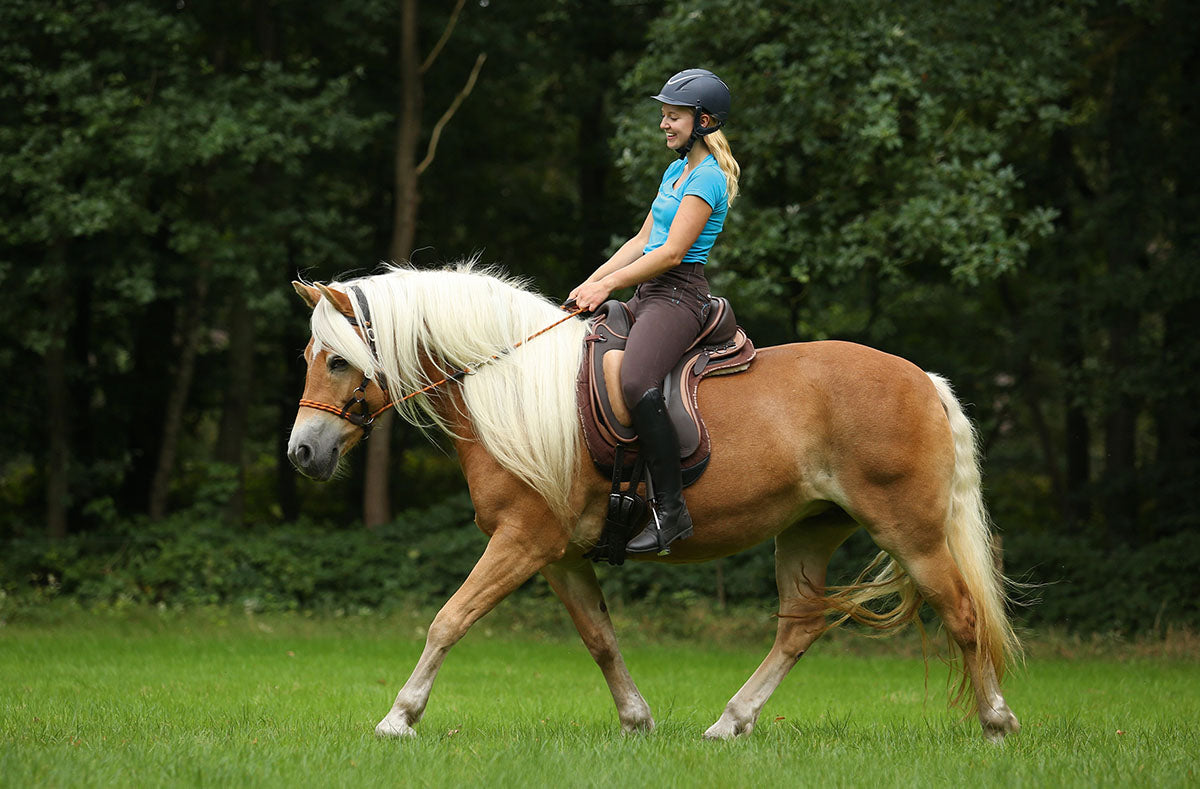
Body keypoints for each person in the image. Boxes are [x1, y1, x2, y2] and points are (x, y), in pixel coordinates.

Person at [569, 68, 741, 555]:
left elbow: (668, 255)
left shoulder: (708, 177)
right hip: (647, 291)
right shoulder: (676, 170)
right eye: (663, 116)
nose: (664, 125)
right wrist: (591, 282)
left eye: (673, 117)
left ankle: (671, 512)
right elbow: (643, 240)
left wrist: (607, 287)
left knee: (635, 382)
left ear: (702, 120)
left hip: (678, 294)